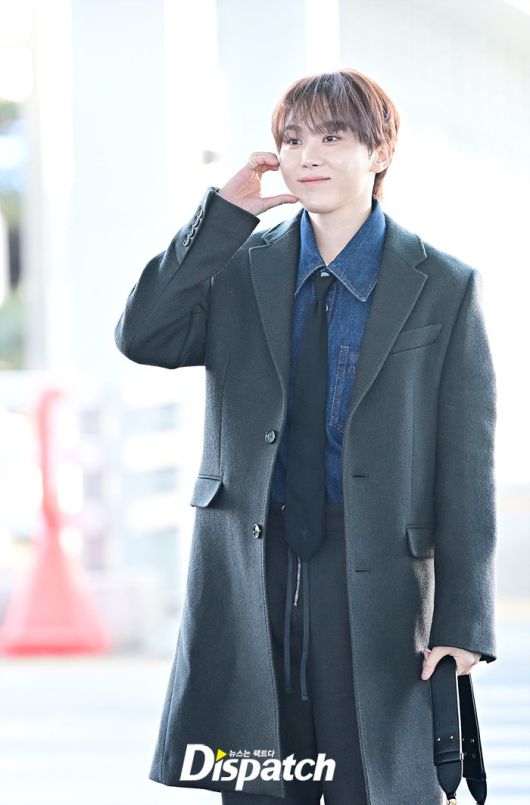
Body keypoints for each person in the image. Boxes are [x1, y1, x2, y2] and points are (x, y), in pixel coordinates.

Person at [114, 68, 497, 805]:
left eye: (331, 137)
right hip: (250, 568)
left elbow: (466, 461)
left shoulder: (444, 285)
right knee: (262, 784)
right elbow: (144, 334)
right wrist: (222, 219)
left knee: (370, 784)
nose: (306, 156)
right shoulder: (237, 267)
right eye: (291, 140)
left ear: (379, 151)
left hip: (376, 575)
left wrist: (463, 619)